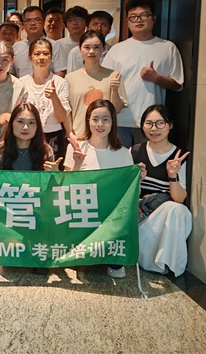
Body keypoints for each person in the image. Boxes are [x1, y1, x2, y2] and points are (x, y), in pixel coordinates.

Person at [63, 99, 143, 279]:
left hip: (110, 213)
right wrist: (77, 164)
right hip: (83, 210)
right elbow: (65, 188)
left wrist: (139, 179)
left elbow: (129, 191)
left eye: (105, 119)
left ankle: (113, 257)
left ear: (113, 122)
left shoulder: (123, 153)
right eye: (95, 119)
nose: (100, 124)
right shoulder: (76, 147)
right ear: (88, 121)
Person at [102, 0, 183, 147]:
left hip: (152, 122)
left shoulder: (167, 47)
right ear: (127, 22)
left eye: (144, 15)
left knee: (147, 160)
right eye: (133, 17)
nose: (138, 20)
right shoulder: (117, 50)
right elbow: (104, 84)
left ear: (154, 19)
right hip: (120, 120)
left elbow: (178, 84)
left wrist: (157, 78)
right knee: (120, 160)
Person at [132, 105, 192, 276]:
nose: (154, 129)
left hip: (164, 218)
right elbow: (124, 191)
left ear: (170, 125)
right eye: (149, 123)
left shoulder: (179, 156)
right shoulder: (135, 151)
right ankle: (157, 264)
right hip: (140, 215)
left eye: (160, 123)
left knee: (177, 210)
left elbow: (179, 199)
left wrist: (172, 175)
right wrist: (136, 180)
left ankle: (166, 264)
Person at [65, 30, 127, 137]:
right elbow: (67, 111)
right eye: (87, 47)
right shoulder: (70, 78)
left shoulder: (114, 76)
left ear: (103, 48)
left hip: (105, 137)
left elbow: (116, 110)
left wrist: (115, 90)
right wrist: (70, 134)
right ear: (80, 49)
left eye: (96, 47)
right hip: (79, 135)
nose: (91, 51)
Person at [18, 39, 71, 159]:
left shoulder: (60, 82)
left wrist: (54, 97)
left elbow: (62, 117)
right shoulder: (21, 83)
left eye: (46, 53)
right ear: (30, 57)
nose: (41, 57)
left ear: (51, 57)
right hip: (27, 137)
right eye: (37, 54)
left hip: (53, 137)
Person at [12, 6, 67, 78]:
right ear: (23, 25)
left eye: (37, 19)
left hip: (48, 85)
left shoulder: (55, 45)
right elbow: (11, 74)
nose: (32, 23)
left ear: (43, 22)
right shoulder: (16, 47)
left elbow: (60, 73)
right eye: (28, 20)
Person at [0, 103, 55, 171]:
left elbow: (51, 178)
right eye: (20, 121)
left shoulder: (46, 151)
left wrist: (56, 173)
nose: (25, 127)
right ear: (11, 123)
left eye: (31, 123)